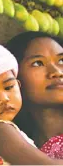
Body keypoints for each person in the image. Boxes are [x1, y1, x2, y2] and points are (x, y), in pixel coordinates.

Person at [6, 31, 63, 159]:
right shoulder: (6, 146)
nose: (57, 72)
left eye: (62, 60)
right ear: (14, 78)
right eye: (38, 63)